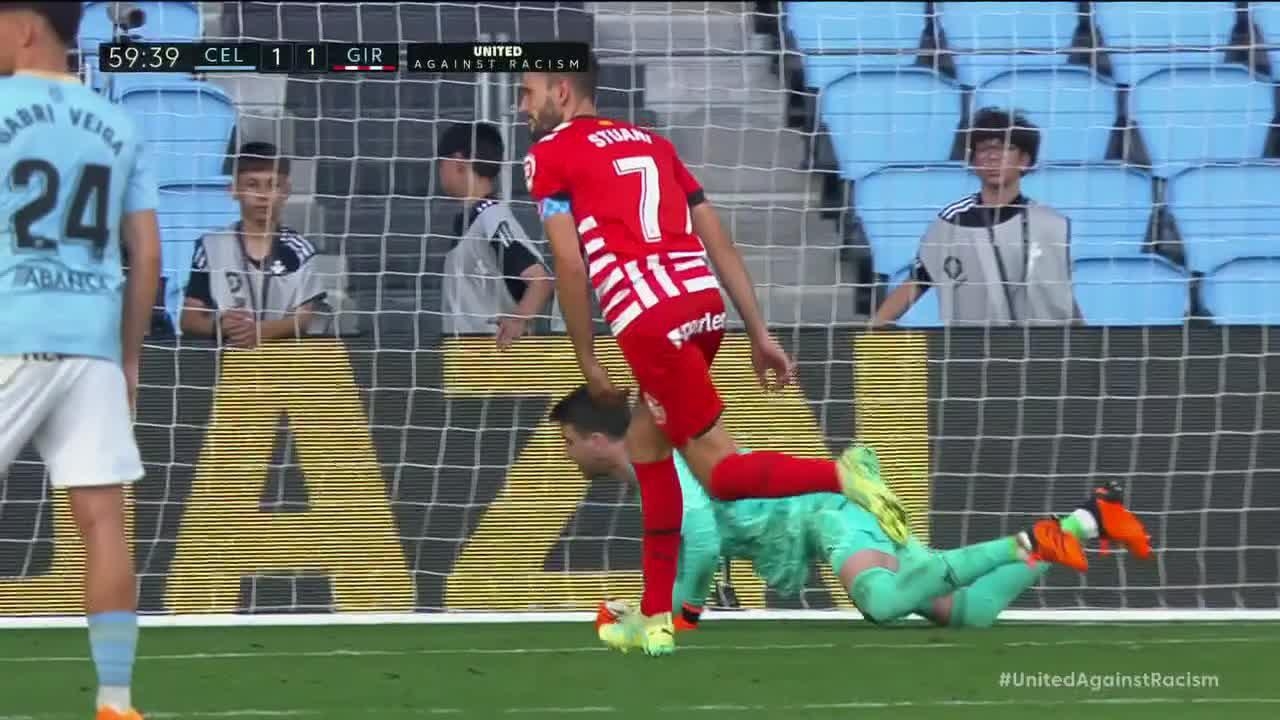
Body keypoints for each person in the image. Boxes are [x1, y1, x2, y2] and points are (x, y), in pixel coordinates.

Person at [520, 58, 913, 657]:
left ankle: (843, 475)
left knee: (720, 475)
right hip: (702, 308)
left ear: (563, 91)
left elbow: (569, 264)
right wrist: (758, 331)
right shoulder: (654, 143)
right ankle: (655, 622)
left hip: (649, 320)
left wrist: (588, 361)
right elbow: (716, 237)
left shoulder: (549, 154)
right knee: (649, 449)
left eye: (528, 93)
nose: (524, 107)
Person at [546, 387, 1152, 646]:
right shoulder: (659, 466)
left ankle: (1033, 537)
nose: (566, 455)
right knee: (967, 614)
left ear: (594, 439)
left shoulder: (665, 466)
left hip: (829, 513)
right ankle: (1088, 522)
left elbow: (701, 542)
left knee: (884, 604)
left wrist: (677, 617)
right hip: (833, 509)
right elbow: (694, 548)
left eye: (567, 443)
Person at [0, 4, 161, 719]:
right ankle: (117, 702)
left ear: (27, 26)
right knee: (103, 523)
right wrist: (127, 357)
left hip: (12, 333)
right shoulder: (119, 121)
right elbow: (148, 253)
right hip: (92, 343)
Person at [872, 107, 1082, 327]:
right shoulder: (952, 222)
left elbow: (1059, 296)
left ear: (1025, 160)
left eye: (1005, 148)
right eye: (983, 150)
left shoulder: (1049, 223)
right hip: (971, 351)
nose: (992, 157)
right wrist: (875, 325)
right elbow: (919, 280)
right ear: (972, 161)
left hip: (1042, 350)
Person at [179, 142, 326, 347]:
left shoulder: (300, 250)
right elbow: (188, 319)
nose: (263, 196)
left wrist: (258, 332)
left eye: (272, 185)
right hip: (228, 364)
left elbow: (303, 320)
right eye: (252, 184)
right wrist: (221, 327)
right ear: (234, 190)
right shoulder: (211, 247)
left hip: (285, 365)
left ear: (286, 191)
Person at [437, 122, 555, 348]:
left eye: (442, 163)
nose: (440, 170)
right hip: (467, 363)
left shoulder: (491, 217)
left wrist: (517, 320)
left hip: (493, 368)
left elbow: (540, 280)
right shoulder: (476, 220)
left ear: (459, 161)